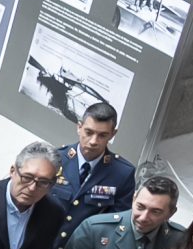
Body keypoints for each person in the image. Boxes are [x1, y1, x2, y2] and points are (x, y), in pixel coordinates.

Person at [50, 102, 136, 241]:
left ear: (113, 134)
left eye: (102, 135)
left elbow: (116, 223)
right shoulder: (55, 159)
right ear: (79, 127)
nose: (93, 141)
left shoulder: (122, 174)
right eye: (88, 133)